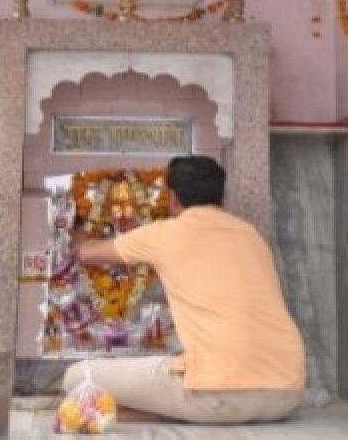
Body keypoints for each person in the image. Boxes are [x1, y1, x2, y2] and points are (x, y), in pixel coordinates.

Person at [62, 155, 305, 424]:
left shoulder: (165, 234)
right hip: (286, 394)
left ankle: (164, 413)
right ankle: (164, 412)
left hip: (220, 394)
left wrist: (77, 228)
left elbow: (86, 253)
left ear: (172, 198)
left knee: (76, 377)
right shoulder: (251, 234)